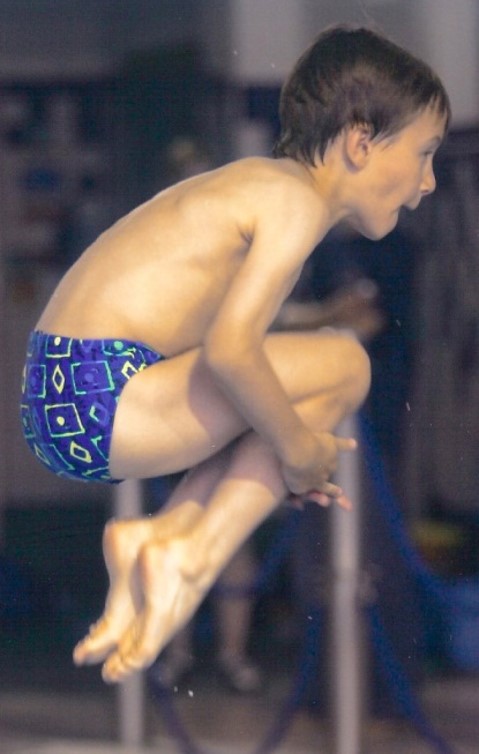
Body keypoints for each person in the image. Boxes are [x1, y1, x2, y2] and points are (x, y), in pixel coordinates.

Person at [20, 25, 450, 685]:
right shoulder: (294, 201)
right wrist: (300, 450)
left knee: (284, 391)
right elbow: (230, 350)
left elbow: (232, 336)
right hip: (104, 394)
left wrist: (286, 424)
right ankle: (190, 552)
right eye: (422, 155)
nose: (424, 183)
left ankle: (162, 536)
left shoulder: (258, 186)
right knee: (343, 366)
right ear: (361, 143)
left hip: (68, 395)